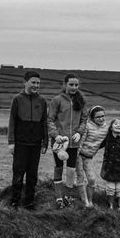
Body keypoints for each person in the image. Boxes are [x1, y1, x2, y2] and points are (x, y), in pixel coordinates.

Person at [7, 71, 48, 210]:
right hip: (20, 144)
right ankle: (14, 202)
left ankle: (29, 203)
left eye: (38, 83)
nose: (36, 85)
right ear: (25, 82)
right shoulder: (17, 99)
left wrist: (45, 142)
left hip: (36, 144)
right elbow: (12, 121)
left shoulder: (42, 101)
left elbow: (44, 122)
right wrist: (11, 142)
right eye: (33, 82)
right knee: (18, 174)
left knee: (32, 175)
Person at [47, 73, 88, 209]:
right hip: (59, 143)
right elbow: (50, 119)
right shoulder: (57, 100)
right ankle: (59, 197)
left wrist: (79, 132)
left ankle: (68, 197)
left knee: (71, 170)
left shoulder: (81, 101)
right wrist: (55, 135)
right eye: (71, 84)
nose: (74, 87)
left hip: (73, 143)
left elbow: (84, 119)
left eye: (76, 85)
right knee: (58, 169)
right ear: (64, 85)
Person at [76, 105, 109, 207]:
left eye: (103, 116)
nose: (101, 118)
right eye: (98, 117)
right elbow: (81, 141)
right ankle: (85, 201)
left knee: (92, 179)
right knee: (80, 177)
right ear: (92, 118)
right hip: (79, 155)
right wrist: (76, 154)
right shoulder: (87, 126)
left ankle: (90, 201)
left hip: (89, 157)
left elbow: (113, 137)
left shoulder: (106, 128)